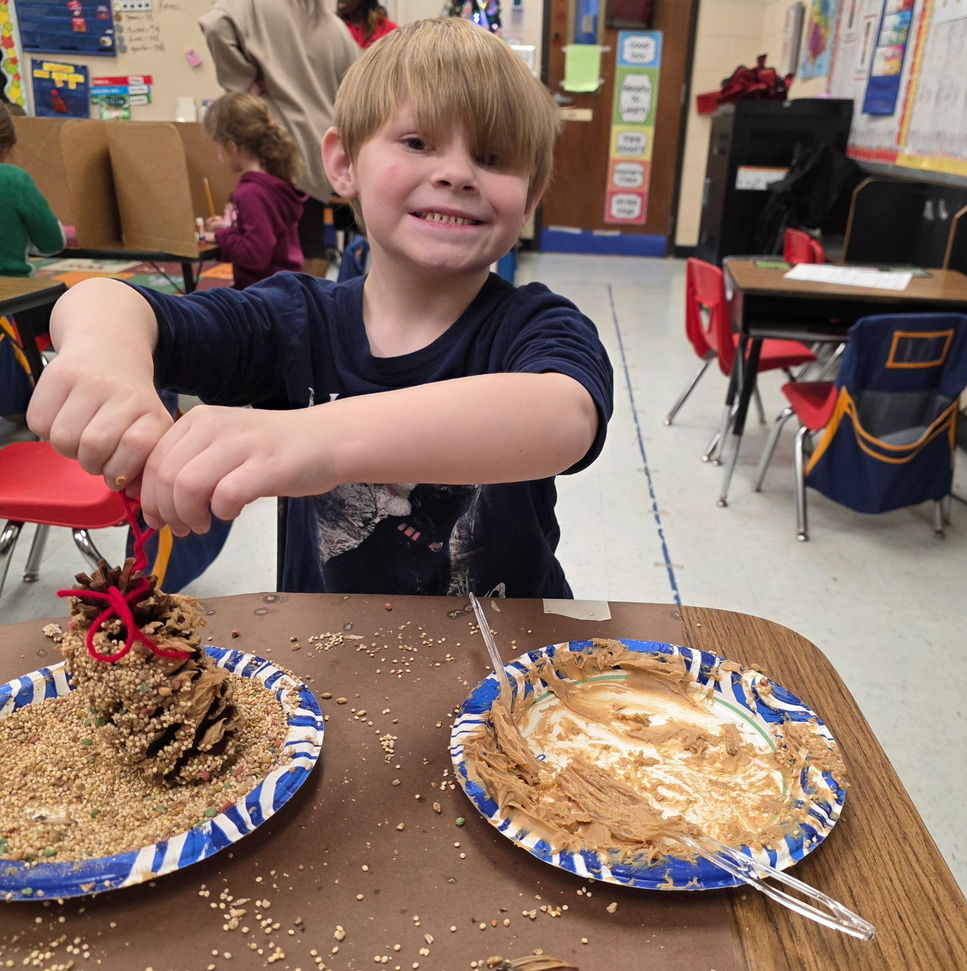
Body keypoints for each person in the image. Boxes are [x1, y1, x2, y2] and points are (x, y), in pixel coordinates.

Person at [27, 17, 614, 600]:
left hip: (515, 671)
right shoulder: (294, 319)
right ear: (343, 164)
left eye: (493, 156)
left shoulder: (536, 325)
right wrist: (106, 353)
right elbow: (107, 301)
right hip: (328, 665)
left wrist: (310, 440)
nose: (457, 174)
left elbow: (563, 418)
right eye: (416, 143)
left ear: (532, 195)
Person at [199, 0, 361, 276]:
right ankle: (310, 308)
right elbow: (359, 79)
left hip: (279, 137)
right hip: (322, 148)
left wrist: (241, 84)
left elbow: (215, 25)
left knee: (272, 247)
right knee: (307, 243)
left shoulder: (255, 5)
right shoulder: (334, 26)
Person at [202, 92, 306, 289]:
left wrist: (221, 237)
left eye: (218, 148)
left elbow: (255, 254)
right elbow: (265, 235)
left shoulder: (251, 192)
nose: (218, 156)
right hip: (282, 289)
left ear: (231, 147)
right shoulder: (270, 182)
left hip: (267, 296)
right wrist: (229, 227)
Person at [0, 102, 64, 416]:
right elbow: (52, 243)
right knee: (81, 306)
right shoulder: (14, 180)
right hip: (17, 303)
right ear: (9, 144)